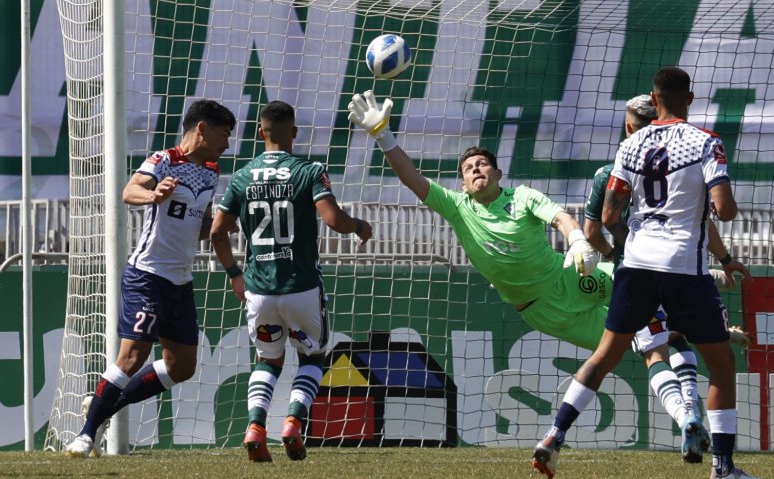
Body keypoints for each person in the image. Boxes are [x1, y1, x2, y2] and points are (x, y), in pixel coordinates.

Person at [346, 90, 734, 461]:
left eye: (482, 164)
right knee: (638, 345)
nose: (476, 169)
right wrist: (384, 136)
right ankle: (688, 415)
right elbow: (412, 178)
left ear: (498, 172)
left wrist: (579, 242)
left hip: (572, 276)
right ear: (463, 184)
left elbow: (561, 218)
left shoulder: (522, 196)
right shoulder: (457, 207)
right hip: (546, 310)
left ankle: (690, 410)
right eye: (468, 169)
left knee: (651, 296)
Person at [532, 67, 757, 479]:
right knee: (721, 363)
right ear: (689, 98)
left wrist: (636, 234)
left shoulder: (631, 146)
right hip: (682, 267)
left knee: (604, 356)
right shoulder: (706, 142)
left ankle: (553, 436)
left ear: (654, 101)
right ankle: (723, 467)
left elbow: (609, 214)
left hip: (635, 264)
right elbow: (723, 209)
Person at [64, 99, 237, 458]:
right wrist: (153, 194)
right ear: (202, 128)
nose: (228, 142)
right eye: (224, 133)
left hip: (180, 280)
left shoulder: (210, 171)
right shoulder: (163, 160)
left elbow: (198, 226)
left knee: (182, 366)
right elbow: (130, 191)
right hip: (148, 275)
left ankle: (99, 409)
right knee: (132, 357)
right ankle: (84, 436)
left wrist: (221, 224)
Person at [209, 100, 372, 463]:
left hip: (259, 290)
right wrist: (360, 226)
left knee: (268, 361)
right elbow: (332, 219)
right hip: (301, 287)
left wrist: (236, 275)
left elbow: (217, 233)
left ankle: (254, 426)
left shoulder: (242, 176)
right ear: (294, 132)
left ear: (260, 132)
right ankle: (294, 423)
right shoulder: (309, 170)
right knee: (313, 355)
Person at [584, 94, 752, 434]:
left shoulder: (613, 168)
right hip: (683, 267)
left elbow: (593, 229)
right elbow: (709, 219)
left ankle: (684, 418)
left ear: (629, 126)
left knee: (653, 352)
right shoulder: (688, 156)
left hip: (635, 271)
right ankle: (694, 410)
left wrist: (610, 255)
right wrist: (726, 259)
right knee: (681, 339)